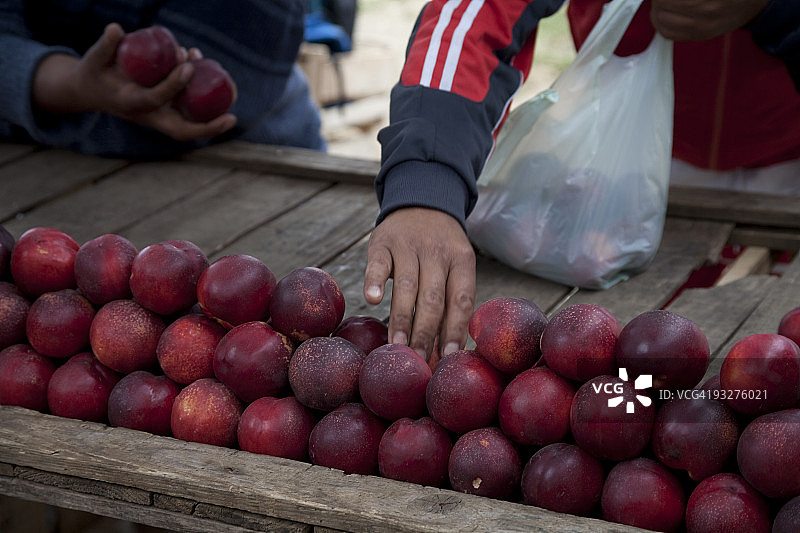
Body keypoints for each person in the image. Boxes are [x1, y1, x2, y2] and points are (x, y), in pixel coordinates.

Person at [363, 0, 800, 361]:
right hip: (631, 155)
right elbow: (473, 15)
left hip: (788, 159)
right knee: (650, 376)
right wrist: (427, 179)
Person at [0, 0, 326, 158]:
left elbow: (224, 77)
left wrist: (77, 89)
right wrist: (69, 83)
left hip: (251, 155)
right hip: (43, 157)